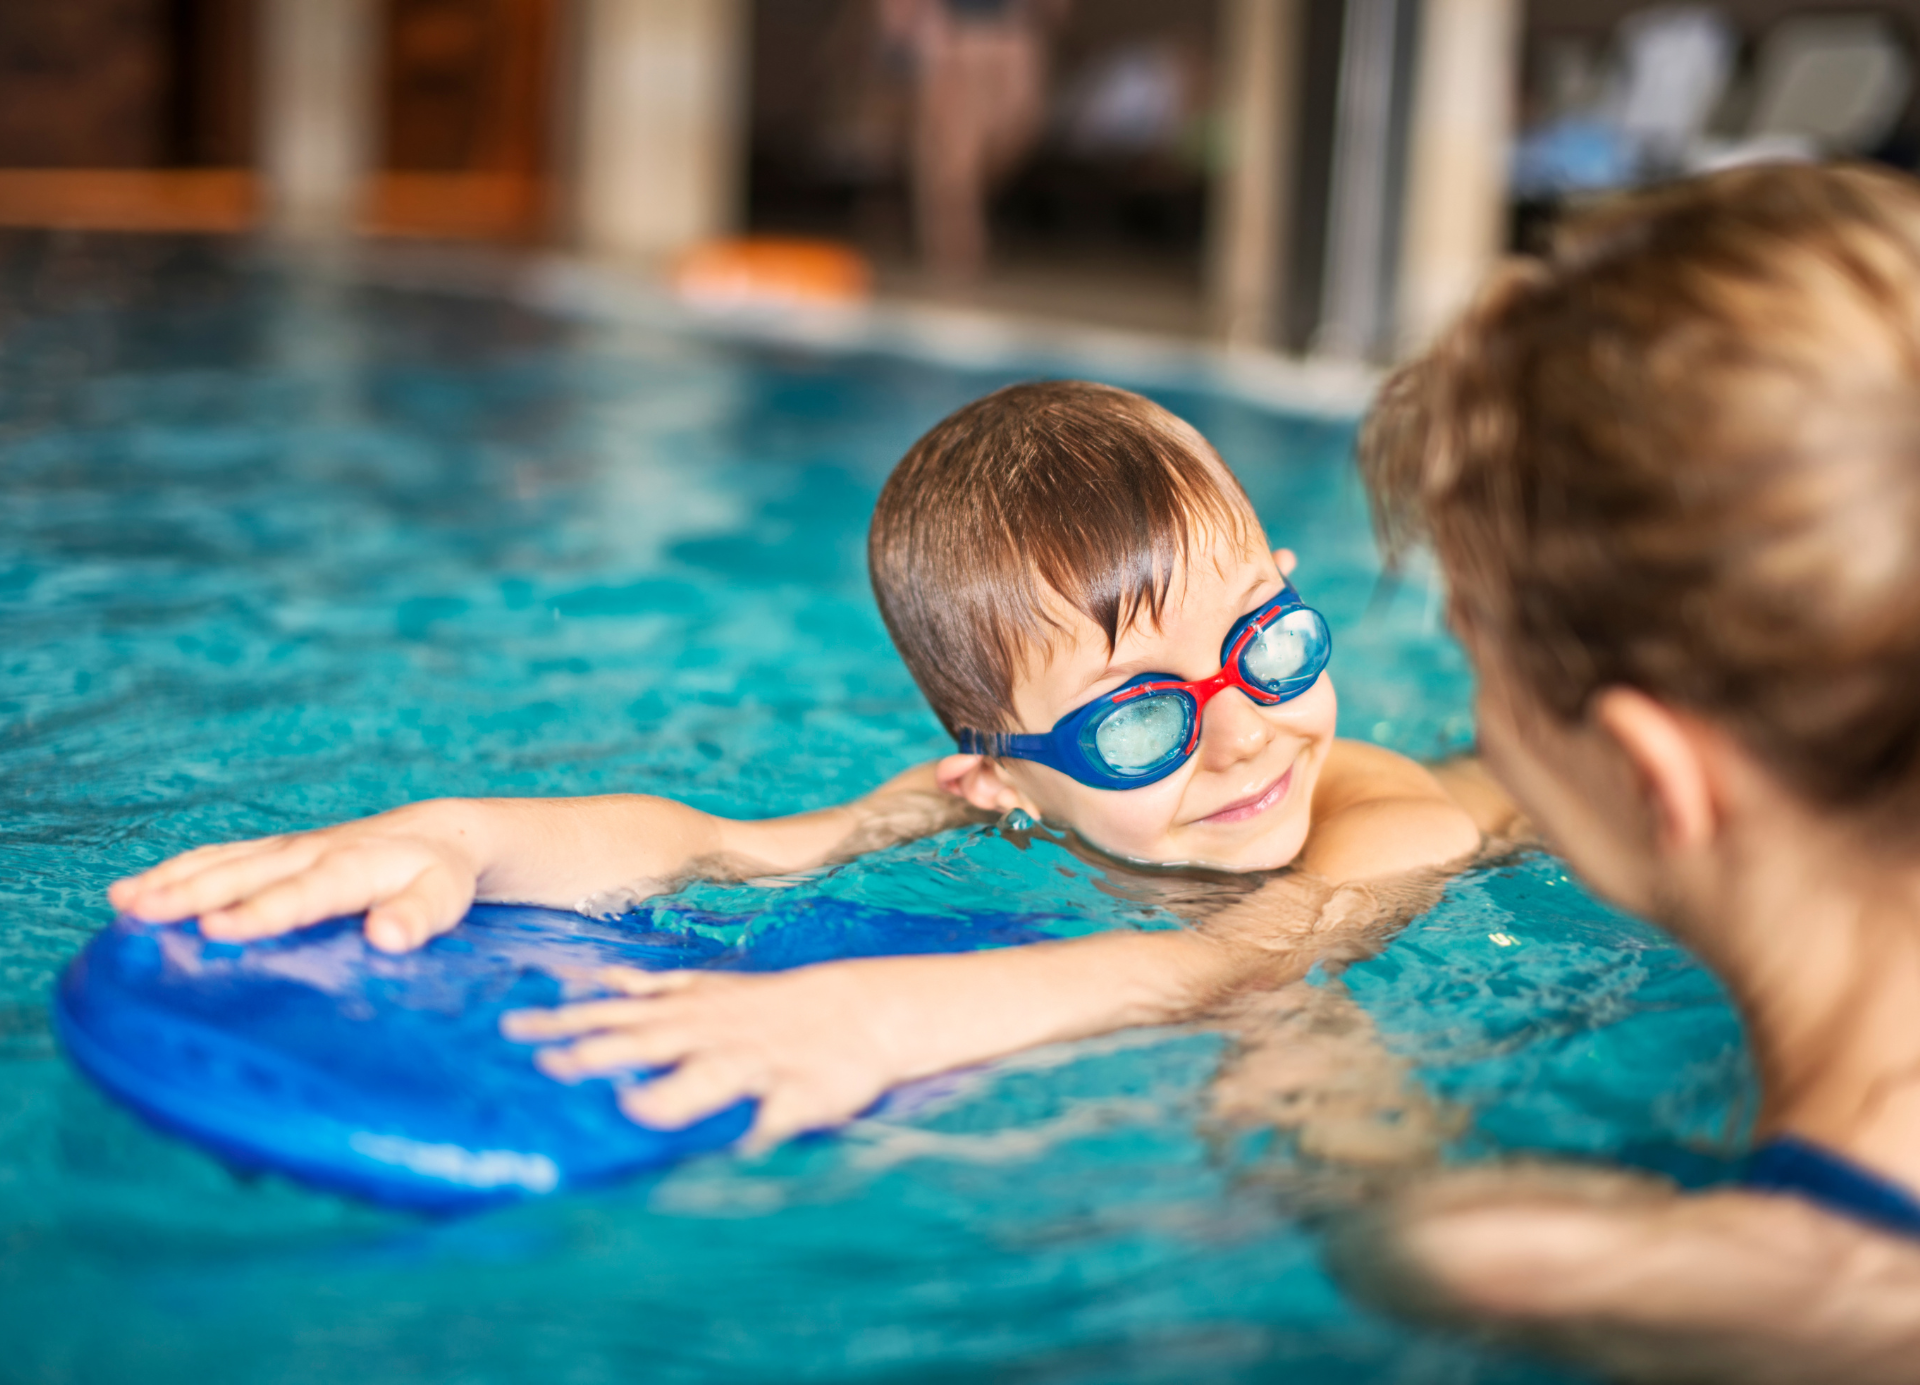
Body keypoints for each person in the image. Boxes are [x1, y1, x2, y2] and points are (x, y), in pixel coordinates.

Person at [111, 380, 1502, 1154]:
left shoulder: (1383, 816)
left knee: (1323, 1091)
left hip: (1500, 805)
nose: (1247, 731)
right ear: (1002, 778)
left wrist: (891, 1019)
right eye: (1138, 721)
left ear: (1293, 592)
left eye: (1270, 645)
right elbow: (734, 844)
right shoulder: (992, 802)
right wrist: (457, 836)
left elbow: (1242, 962)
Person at [1346, 162, 1920, 1381]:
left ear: (1654, 771)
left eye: (1479, 664)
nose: (1483, 727)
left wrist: (1287, 1041)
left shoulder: (1571, 1268)